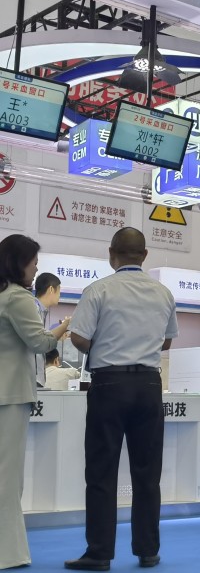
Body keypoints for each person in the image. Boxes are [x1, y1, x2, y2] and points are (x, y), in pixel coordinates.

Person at [65, 227, 178, 571]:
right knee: (147, 473)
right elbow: (167, 341)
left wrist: (105, 342)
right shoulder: (163, 293)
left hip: (109, 385)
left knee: (102, 471)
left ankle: (99, 553)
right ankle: (148, 550)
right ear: (144, 256)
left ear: (111, 254)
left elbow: (79, 338)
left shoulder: (98, 290)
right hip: (149, 385)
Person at [0, 234, 69, 569]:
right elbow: (40, 343)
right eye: (33, 263)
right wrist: (63, 328)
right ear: (19, 263)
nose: (36, 269)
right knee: (8, 478)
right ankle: (8, 552)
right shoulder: (17, 298)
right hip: (11, 395)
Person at [33, 272, 62, 387]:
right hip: (32, 377)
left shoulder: (41, 310)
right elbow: (39, 341)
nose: (59, 295)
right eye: (59, 291)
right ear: (51, 289)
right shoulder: (34, 308)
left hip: (36, 377)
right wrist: (65, 325)